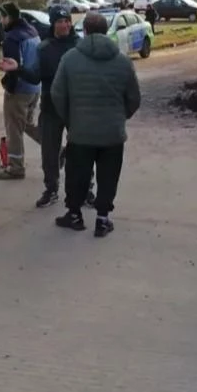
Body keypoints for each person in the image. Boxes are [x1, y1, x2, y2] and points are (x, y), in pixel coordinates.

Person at [51, 12, 140, 237]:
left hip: (80, 132)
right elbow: (134, 98)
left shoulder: (70, 59)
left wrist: (70, 120)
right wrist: (121, 116)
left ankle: (74, 214)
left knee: (77, 175)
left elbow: (57, 93)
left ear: (85, 31)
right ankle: (102, 219)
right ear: (106, 31)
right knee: (108, 176)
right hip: (112, 133)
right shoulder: (123, 61)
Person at [0, 6, 95, 208]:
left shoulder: (80, 46)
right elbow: (35, 75)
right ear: (53, 24)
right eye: (60, 21)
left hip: (76, 109)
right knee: (49, 153)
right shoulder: (44, 48)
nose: (65, 24)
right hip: (51, 107)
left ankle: (86, 190)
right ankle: (51, 189)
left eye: (67, 20)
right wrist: (18, 69)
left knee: (82, 151)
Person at [0, 2, 42, 180]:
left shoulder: (12, 38)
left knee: (14, 128)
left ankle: (15, 166)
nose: (0, 21)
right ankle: (55, 148)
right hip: (34, 87)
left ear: (8, 17)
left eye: (1, 17)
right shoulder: (32, 31)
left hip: (19, 90)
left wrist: (8, 85)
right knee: (27, 124)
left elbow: (12, 66)